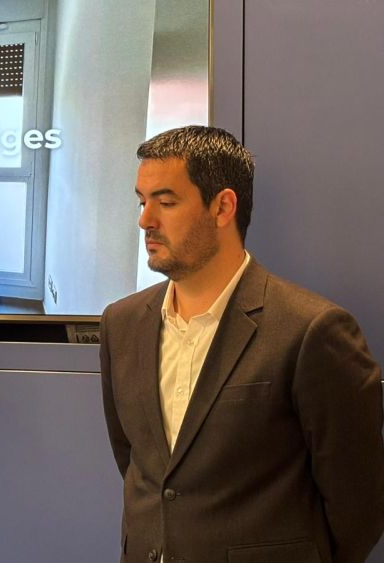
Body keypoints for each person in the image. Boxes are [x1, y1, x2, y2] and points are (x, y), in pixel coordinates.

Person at [99, 125, 384, 562]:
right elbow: (141, 467)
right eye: (142, 202)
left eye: (166, 202)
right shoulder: (122, 324)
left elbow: (358, 504)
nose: (145, 221)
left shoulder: (312, 330)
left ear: (223, 207)